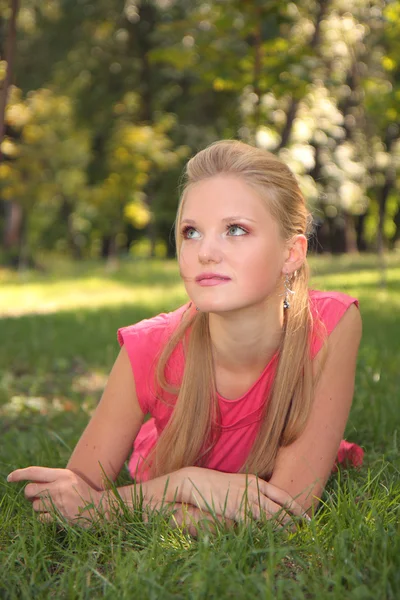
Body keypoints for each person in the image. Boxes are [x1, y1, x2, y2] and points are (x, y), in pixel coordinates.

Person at [7, 140, 363, 532]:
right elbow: (71, 498)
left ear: (291, 254)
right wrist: (187, 483)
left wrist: (109, 508)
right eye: (191, 232)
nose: (206, 252)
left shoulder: (330, 324)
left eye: (235, 229)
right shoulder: (150, 346)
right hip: (164, 463)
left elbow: (286, 515)